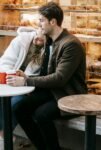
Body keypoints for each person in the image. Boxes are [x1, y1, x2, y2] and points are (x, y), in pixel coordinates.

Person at [6, 2, 87, 150]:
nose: (39, 24)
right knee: (18, 107)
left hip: (70, 94)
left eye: (42, 20)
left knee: (41, 114)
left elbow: (60, 78)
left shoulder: (70, 44)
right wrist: (25, 74)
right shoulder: (50, 41)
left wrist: (25, 81)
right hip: (54, 92)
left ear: (53, 21)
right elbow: (45, 72)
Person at [0, 26, 46, 149]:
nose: (38, 41)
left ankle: (4, 135)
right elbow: (5, 62)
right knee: (3, 100)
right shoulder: (20, 41)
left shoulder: (49, 49)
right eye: (38, 36)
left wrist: (25, 78)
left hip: (28, 87)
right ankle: (3, 135)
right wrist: (14, 74)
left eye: (42, 40)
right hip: (9, 80)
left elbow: (43, 75)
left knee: (16, 103)